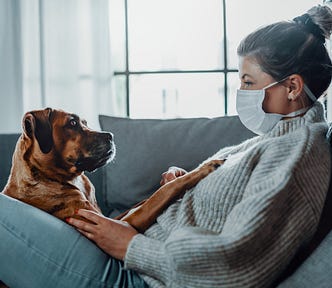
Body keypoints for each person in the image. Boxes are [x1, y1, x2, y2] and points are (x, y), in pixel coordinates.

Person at [1, 4, 332, 288]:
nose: (241, 91)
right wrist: (187, 187)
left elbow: (236, 269)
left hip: (133, 276)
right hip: (131, 257)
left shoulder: (293, 156)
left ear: (291, 87)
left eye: (248, 82)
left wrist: (131, 246)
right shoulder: (277, 140)